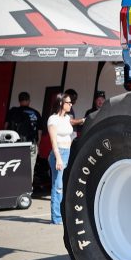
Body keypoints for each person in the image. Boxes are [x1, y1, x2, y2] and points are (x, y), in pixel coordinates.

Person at [47, 92, 75, 225]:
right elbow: (53, 141)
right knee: (57, 186)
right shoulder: (53, 119)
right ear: (60, 103)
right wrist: (58, 158)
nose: (71, 105)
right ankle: (56, 218)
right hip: (58, 153)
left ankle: (63, 215)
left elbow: (73, 123)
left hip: (68, 152)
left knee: (64, 185)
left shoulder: (67, 118)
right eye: (68, 103)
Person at [4, 91, 42, 179]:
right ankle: (27, 188)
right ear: (29, 101)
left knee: (13, 166)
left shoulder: (13, 112)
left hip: (14, 144)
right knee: (30, 168)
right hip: (31, 143)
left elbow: (5, 127)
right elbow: (39, 131)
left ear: (19, 101)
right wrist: (37, 144)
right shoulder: (35, 113)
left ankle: (13, 186)